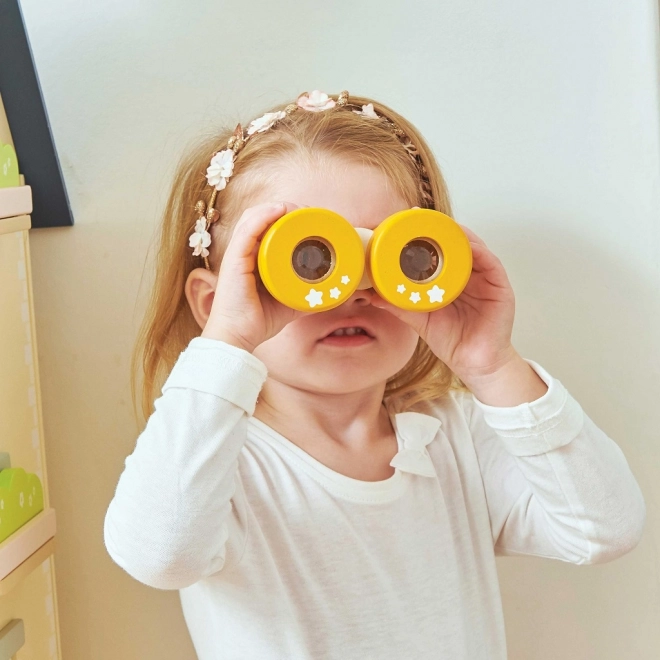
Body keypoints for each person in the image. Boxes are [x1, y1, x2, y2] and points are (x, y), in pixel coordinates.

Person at [104, 90, 646, 659]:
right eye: (310, 261)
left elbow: (604, 528)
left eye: (396, 260)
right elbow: (158, 555)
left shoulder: (454, 436)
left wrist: (491, 363)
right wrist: (229, 339)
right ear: (214, 301)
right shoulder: (216, 461)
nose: (354, 292)